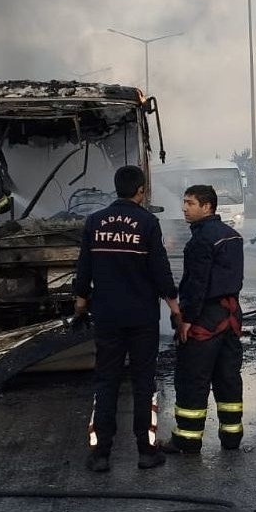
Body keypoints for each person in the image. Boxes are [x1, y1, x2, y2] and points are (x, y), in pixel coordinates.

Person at [73, 165, 182, 472]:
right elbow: (160, 270)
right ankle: (147, 452)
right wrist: (174, 306)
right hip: (141, 318)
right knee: (143, 383)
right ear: (140, 190)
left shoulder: (94, 222)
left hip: (106, 316)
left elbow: (84, 269)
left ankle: (100, 454)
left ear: (116, 188)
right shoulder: (148, 223)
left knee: (106, 381)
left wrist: (81, 303)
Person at [162, 184, 245, 455]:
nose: (184, 208)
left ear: (207, 206)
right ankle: (232, 437)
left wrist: (185, 319)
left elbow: (195, 285)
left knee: (192, 378)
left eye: (190, 203)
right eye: (184, 203)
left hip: (205, 319)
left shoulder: (200, 240)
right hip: (230, 316)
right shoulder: (232, 236)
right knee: (228, 377)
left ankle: (187, 439)